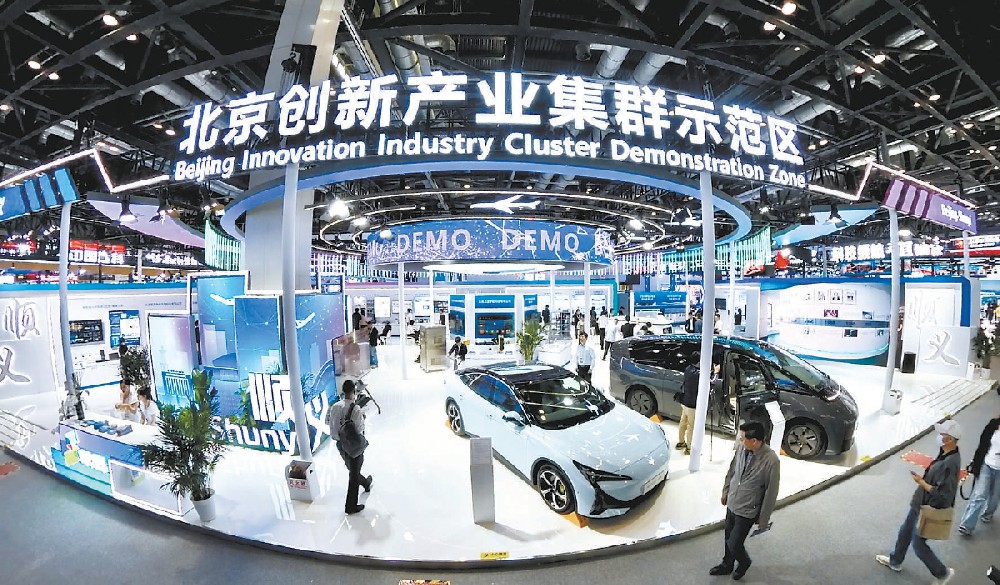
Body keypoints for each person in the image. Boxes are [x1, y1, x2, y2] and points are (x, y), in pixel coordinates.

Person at [875, 419, 961, 584]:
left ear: (949, 439)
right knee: (905, 531)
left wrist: (921, 482)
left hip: (929, 508)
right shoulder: (946, 454)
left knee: (918, 543)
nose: (939, 436)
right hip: (920, 503)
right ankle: (895, 561)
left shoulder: (950, 463)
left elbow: (942, 494)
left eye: (942, 434)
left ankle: (942, 573)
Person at [711, 421, 780, 581]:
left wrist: (763, 518)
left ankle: (744, 562)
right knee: (728, 538)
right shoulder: (742, 448)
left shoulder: (771, 461)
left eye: (742, 438)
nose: (740, 441)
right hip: (732, 503)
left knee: (734, 543)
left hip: (748, 510)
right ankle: (727, 564)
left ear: (754, 441)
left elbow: (771, 492)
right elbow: (732, 470)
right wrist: (726, 490)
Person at [329, 380, 373, 514]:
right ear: (354, 391)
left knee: (352, 470)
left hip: (341, 444)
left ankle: (366, 483)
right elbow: (359, 429)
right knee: (353, 474)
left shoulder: (335, 407)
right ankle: (350, 506)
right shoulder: (356, 408)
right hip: (353, 445)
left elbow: (332, 428)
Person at [958, 412, 1000, 535]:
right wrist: (975, 461)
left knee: (995, 497)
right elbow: (982, 445)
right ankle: (967, 525)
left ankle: (988, 514)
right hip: (986, 465)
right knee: (980, 495)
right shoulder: (993, 424)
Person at [677, 352, 700, 455]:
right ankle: (689, 448)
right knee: (691, 426)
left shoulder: (688, 369)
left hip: (685, 401)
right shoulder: (698, 374)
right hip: (692, 405)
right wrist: (716, 373)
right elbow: (712, 382)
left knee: (683, 422)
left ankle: (681, 442)